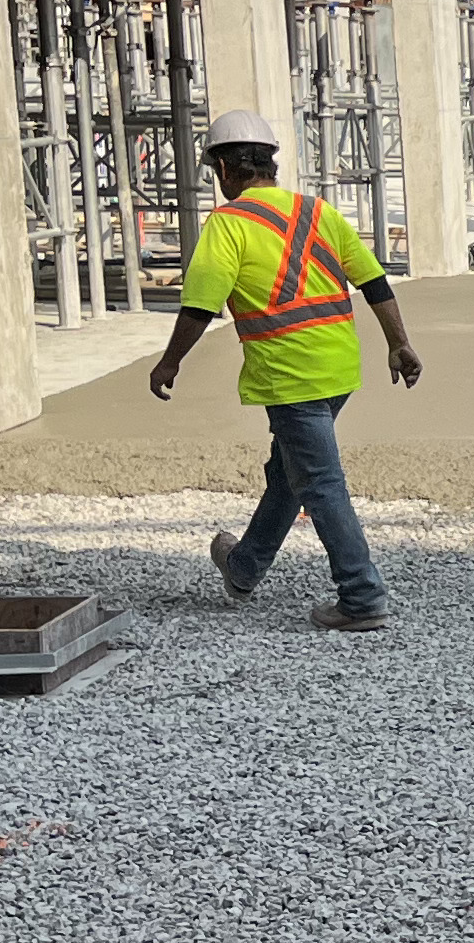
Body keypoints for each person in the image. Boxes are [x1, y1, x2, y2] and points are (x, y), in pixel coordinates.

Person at [149, 110, 424, 632]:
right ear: (269, 164)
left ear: (226, 170)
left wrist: (170, 362)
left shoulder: (228, 224)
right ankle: (244, 567)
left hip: (288, 371)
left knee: (319, 482)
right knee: (289, 473)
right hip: (339, 366)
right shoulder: (317, 212)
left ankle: (362, 597)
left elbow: (201, 305)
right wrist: (399, 343)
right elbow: (374, 281)